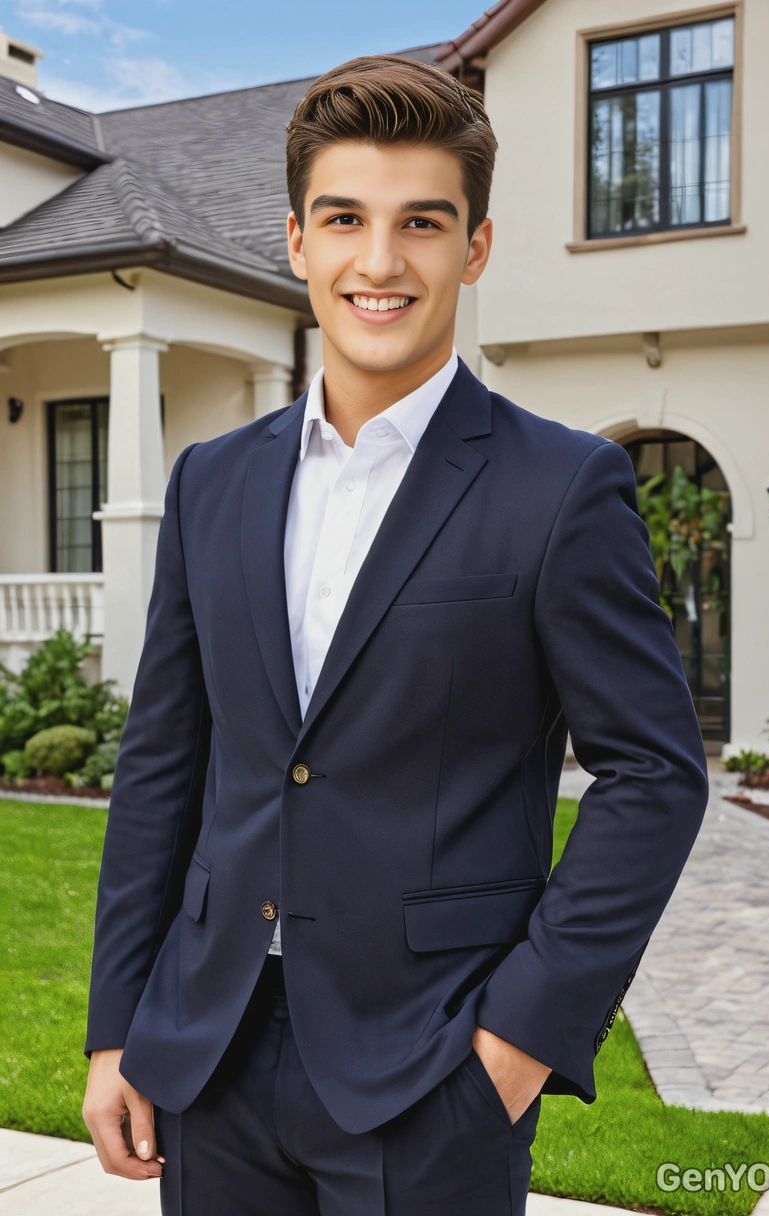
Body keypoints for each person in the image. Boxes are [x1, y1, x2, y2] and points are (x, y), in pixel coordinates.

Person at [82, 54, 709, 1216]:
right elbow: (163, 762)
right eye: (345, 220)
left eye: (421, 222)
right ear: (295, 241)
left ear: (472, 248)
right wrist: (117, 1027)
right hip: (206, 1054)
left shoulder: (563, 488)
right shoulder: (212, 482)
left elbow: (654, 774)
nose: (380, 262)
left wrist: (518, 1041)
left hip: (433, 1071)